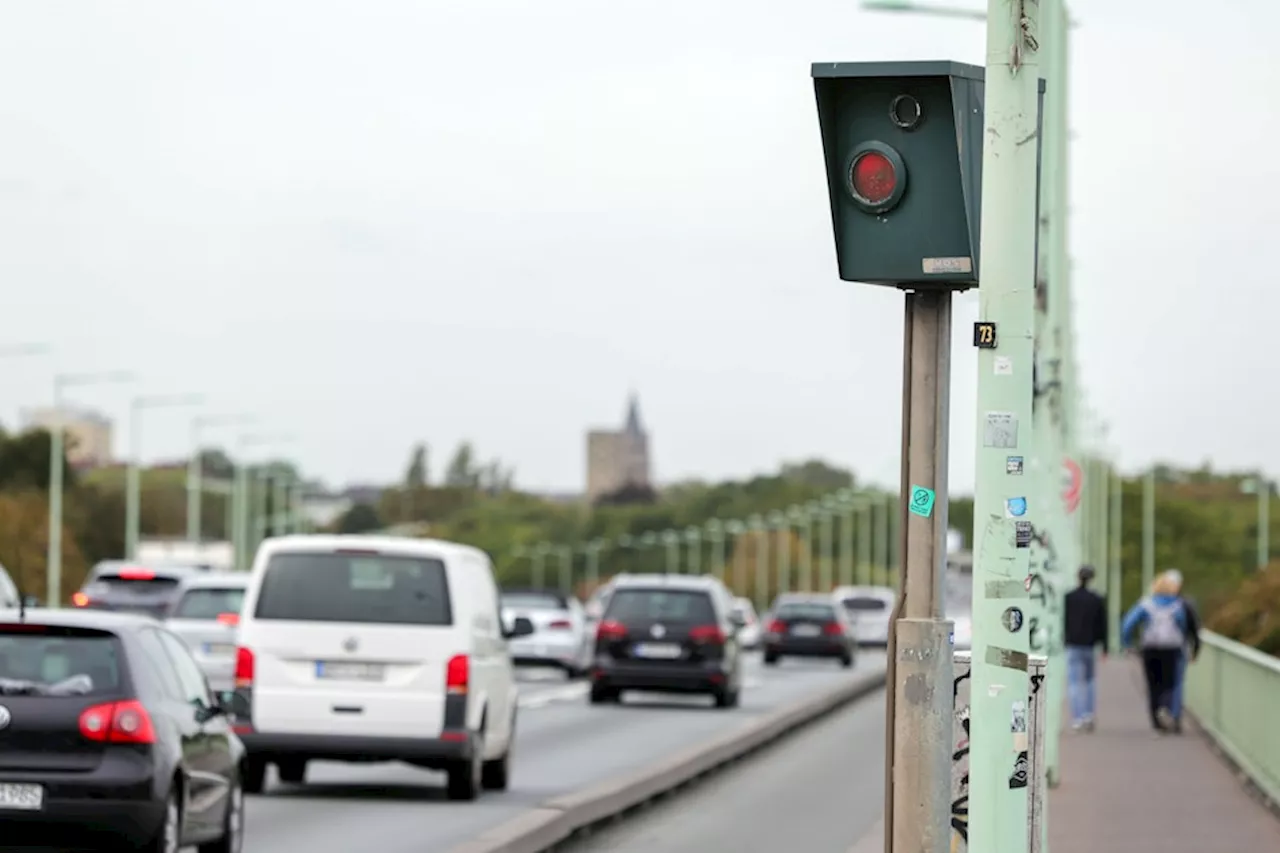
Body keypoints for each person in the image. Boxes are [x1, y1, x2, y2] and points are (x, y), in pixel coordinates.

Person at [1121, 570, 1193, 734]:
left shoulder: (1146, 604)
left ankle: (1156, 720)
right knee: (1170, 682)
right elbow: (1182, 624)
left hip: (1151, 647)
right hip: (1172, 647)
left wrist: (1127, 643)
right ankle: (1168, 710)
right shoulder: (1177, 604)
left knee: (1153, 684)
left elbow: (1128, 624)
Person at [1062, 565, 1108, 732]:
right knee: (1090, 680)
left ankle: (1077, 717)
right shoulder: (1097, 599)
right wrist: (1105, 647)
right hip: (1090, 645)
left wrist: (1064, 639)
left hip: (1073, 644)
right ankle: (1089, 714)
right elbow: (1103, 624)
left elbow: (1064, 621)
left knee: (1074, 682)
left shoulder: (1069, 598)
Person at [1163, 569, 1202, 733]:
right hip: (1180, 646)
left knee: (1166, 681)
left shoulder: (1159, 602)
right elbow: (1194, 627)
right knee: (1177, 682)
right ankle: (1175, 714)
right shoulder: (1186, 603)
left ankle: (1167, 710)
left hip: (1162, 648)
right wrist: (1196, 649)